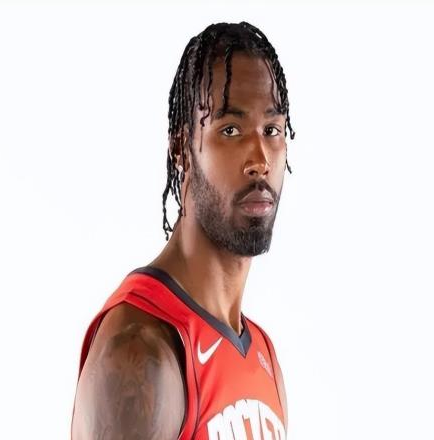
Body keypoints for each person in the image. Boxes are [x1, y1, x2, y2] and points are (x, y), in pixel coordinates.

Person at [71, 21, 296, 440]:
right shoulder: (141, 349)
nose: (260, 160)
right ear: (182, 150)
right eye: (231, 130)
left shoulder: (264, 357)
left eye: (272, 130)